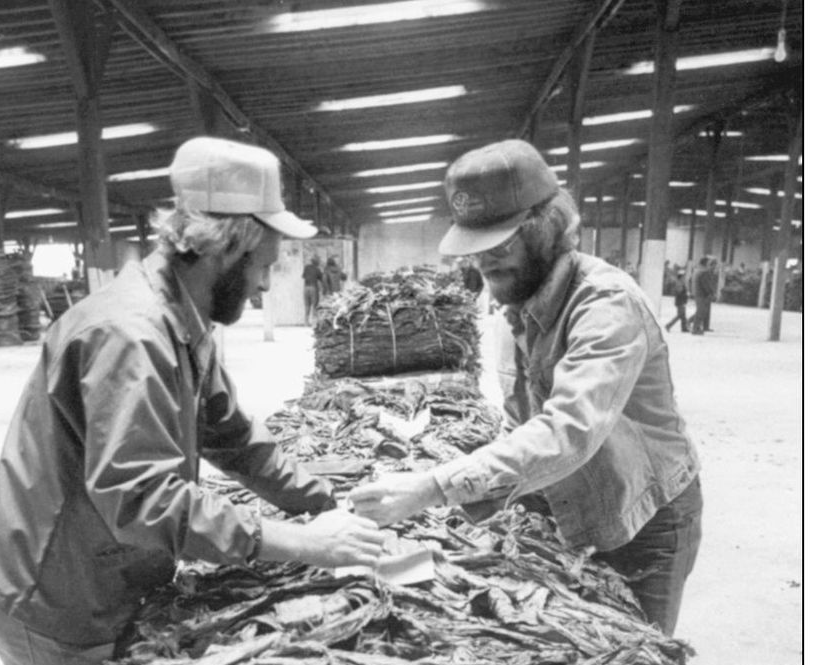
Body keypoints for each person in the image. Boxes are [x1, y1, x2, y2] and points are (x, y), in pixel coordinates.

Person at [0, 136, 383, 665]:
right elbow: (143, 501)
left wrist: (328, 506)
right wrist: (306, 545)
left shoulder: (183, 318)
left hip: (101, 567)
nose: (267, 287)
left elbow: (235, 437)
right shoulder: (130, 336)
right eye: (265, 266)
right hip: (55, 593)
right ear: (228, 248)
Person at [349, 138, 702, 636]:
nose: (485, 263)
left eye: (501, 244)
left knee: (635, 664)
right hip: (568, 508)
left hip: (643, 518)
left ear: (549, 227)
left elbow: (568, 431)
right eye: (475, 249)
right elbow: (522, 425)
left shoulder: (606, 306)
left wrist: (432, 488)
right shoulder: (512, 310)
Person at [690, 256, 715, 335]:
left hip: (696, 293)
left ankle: (696, 327)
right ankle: (695, 328)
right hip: (702, 294)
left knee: (700, 311)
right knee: (701, 312)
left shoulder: (696, 270)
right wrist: (711, 293)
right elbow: (705, 285)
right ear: (706, 263)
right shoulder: (704, 271)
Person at [303, 255, 323, 323]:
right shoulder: (317, 269)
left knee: (307, 305)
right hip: (313, 288)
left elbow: (303, 276)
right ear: (317, 262)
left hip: (306, 288)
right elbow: (321, 278)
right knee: (314, 305)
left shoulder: (306, 267)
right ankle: (313, 322)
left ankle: (306, 322)